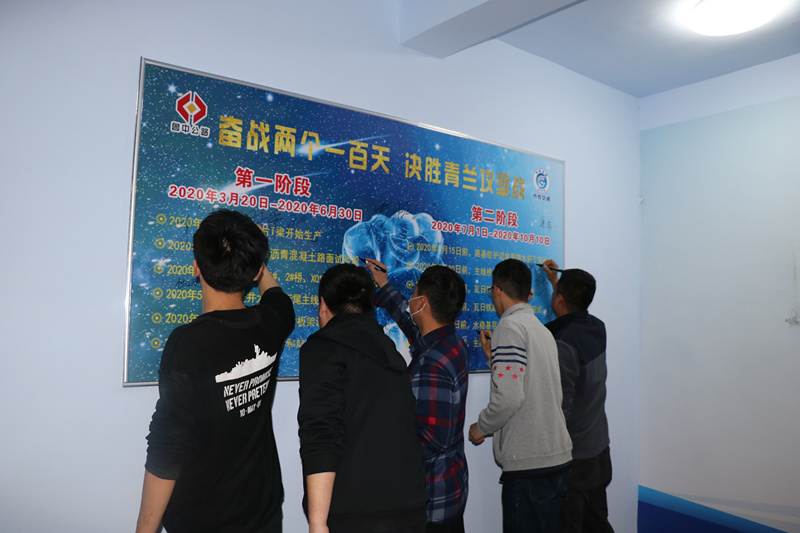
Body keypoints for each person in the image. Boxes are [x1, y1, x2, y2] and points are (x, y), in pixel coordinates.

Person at [135, 209, 295, 533]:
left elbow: (168, 447)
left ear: (196, 267)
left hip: (205, 519)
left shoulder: (189, 344)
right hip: (263, 512)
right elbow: (277, 297)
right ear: (255, 271)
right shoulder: (271, 322)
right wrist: (254, 260)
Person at [298, 263, 428, 533]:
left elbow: (321, 434)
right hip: (409, 507)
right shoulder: (388, 349)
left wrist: (317, 523)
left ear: (323, 305)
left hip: (357, 514)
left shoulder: (323, 347)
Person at [468, 258, 572, 533]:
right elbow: (530, 381)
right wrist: (494, 359)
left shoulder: (509, 327)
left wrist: (482, 426)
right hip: (556, 459)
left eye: (491, 291)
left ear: (497, 290)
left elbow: (509, 398)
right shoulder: (540, 329)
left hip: (530, 467)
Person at [366, 259, 470, 533]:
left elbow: (431, 439)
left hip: (430, 502)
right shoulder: (451, 342)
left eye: (413, 292)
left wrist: (383, 447)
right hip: (450, 488)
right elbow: (412, 323)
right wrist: (384, 286)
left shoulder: (431, 364)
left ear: (422, 302)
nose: (410, 297)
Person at [542, 260, 614, 533]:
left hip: (576, 461)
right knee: (597, 524)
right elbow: (573, 312)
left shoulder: (563, 344)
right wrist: (555, 282)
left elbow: (560, 408)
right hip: (599, 451)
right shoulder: (597, 327)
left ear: (560, 299)